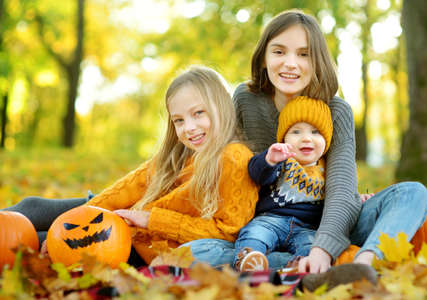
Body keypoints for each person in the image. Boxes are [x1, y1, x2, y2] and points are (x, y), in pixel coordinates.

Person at [186, 9, 427, 273]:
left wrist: (322, 249)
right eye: (279, 52)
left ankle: (362, 263)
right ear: (264, 58)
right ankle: (296, 266)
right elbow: (233, 168)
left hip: (326, 226)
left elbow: (341, 192)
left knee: (411, 193)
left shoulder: (337, 111)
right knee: (191, 252)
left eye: (304, 54)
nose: (290, 63)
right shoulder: (246, 99)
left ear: (317, 62)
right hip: (262, 230)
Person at [2, 66, 260, 265]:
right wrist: (87, 211)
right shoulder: (179, 155)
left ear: (222, 107)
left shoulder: (234, 157)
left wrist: (151, 220)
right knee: (33, 207)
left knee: (34, 242)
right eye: (179, 120)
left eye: (198, 114)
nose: (189, 128)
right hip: (124, 218)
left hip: (140, 246)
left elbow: (229, 233)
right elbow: (125, 190)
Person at [234, 96, 333, 271]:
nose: (306, 139)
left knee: (312, 246)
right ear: (284, 138)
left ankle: (299, 267)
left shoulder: (329, 168)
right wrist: (270, 160)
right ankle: (249, 259)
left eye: (315, 132)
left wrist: (357, 198)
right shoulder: (282, 157)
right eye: (296, 132)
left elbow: (340, 195)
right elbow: (256, 173)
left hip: (306, 227)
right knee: (255, 234)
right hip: (270, 220)